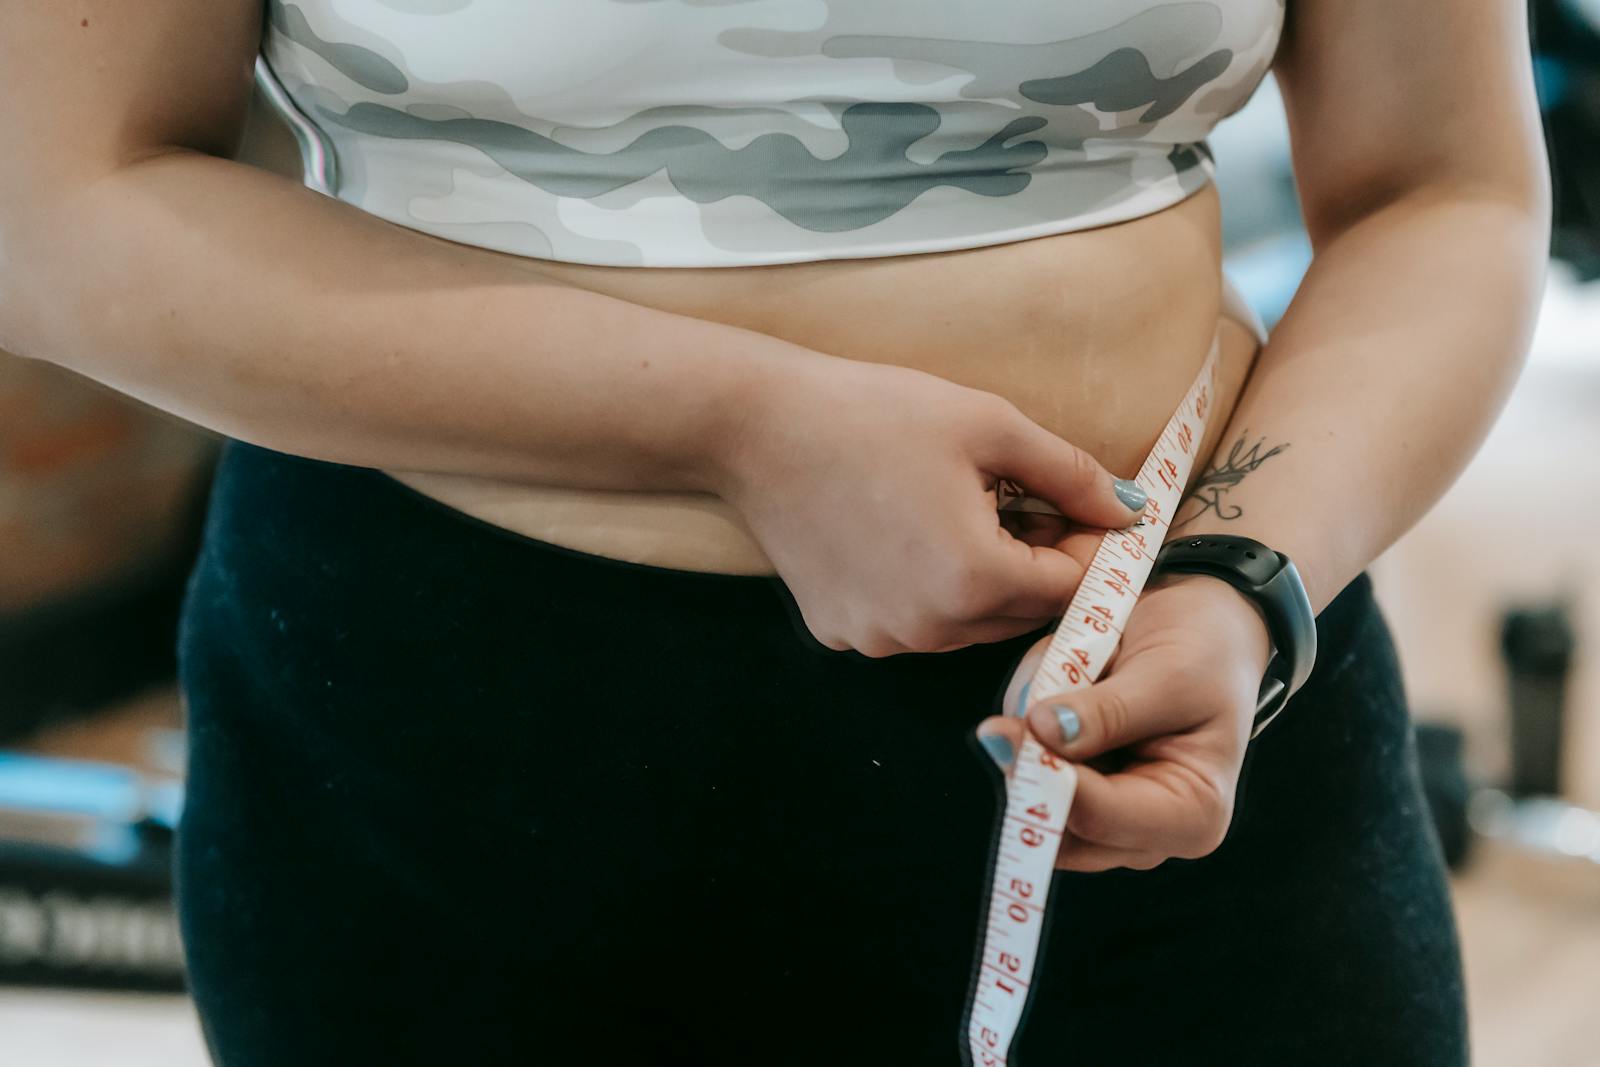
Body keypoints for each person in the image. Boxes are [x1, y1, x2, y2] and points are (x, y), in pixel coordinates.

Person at [0, 1, 1548, 1064]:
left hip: (1183, 719)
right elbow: (58, 205)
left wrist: (1241, 579)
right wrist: (735, 427)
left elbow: (1445, 187)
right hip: (465, 755)